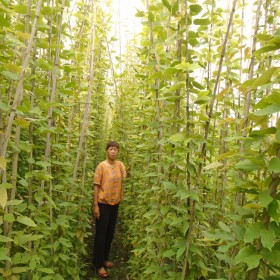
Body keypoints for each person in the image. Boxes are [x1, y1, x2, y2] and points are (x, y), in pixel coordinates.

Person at [92, 140, 127, 278]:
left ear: (118, 152)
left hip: (115, 204)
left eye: (116, 149)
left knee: (110, 233)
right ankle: (98, 264)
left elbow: (125, 175)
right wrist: (95, 205)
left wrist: (129, 172)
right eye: (111, 149)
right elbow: (96, 186)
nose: (113, 151)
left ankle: (104, 259)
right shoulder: (101, 166)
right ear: (107, 150)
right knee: (101, 234)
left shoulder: (120, 165)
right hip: (103, 204)